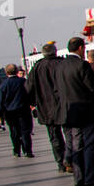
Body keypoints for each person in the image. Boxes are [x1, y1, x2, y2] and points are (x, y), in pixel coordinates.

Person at [59, 37, 94, 186]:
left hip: (69, 112)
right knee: (90, 144)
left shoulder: (60, 67)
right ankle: (89, 177)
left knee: (76, 145)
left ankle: (78, 177)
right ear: (81, 48)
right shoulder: (82, 65)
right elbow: (93, 88)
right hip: (86, 111)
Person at [25, 41, 71, 173]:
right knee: (69, 134)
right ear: (55, 52)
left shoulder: (37, 68)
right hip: (65, 105)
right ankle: (70, 159)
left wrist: (33, 103)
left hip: (46, 107)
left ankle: (60, 163)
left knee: (54, 137)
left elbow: (29, 88)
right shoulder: (62, 63)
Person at [0, 64, 34, 158]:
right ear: (17, 71)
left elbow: (0, 101)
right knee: (25, 131)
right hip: (23, 110)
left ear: (6, 72)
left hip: (10, 112)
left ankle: (16, 150)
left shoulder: (3, 85)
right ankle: (27, 150)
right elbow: (30, 93)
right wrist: (32, 104)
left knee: (14, 131)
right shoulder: (23, 81)